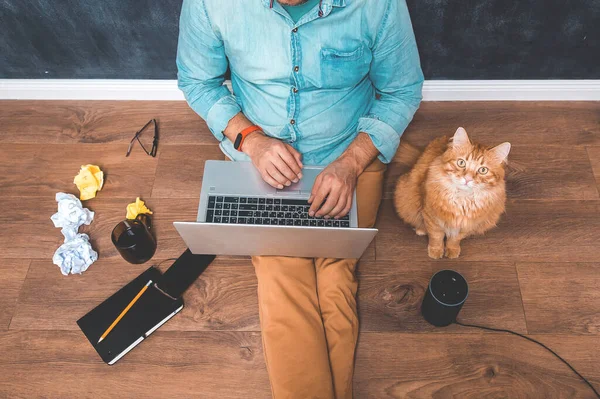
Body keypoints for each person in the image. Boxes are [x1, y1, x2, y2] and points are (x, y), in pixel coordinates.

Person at [177, 0, 423, 397]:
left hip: (348, 152)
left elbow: (402, 91)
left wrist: (352, 162)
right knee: (281, 277)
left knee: (336, 275)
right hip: (257, 156)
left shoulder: (379, 4)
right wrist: (251, 140)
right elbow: (197, 82)